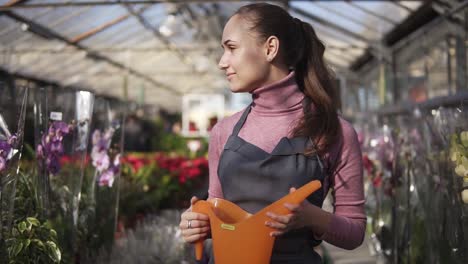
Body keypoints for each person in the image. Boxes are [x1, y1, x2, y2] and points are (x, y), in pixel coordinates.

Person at [179, 3, 365, 263]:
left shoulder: (334, 131)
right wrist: (198, 223)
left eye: (231, 48)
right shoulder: (223, 132)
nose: (222, 63)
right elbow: (218, 211)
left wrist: (311, 217)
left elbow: (355, 231)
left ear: (270, 48)